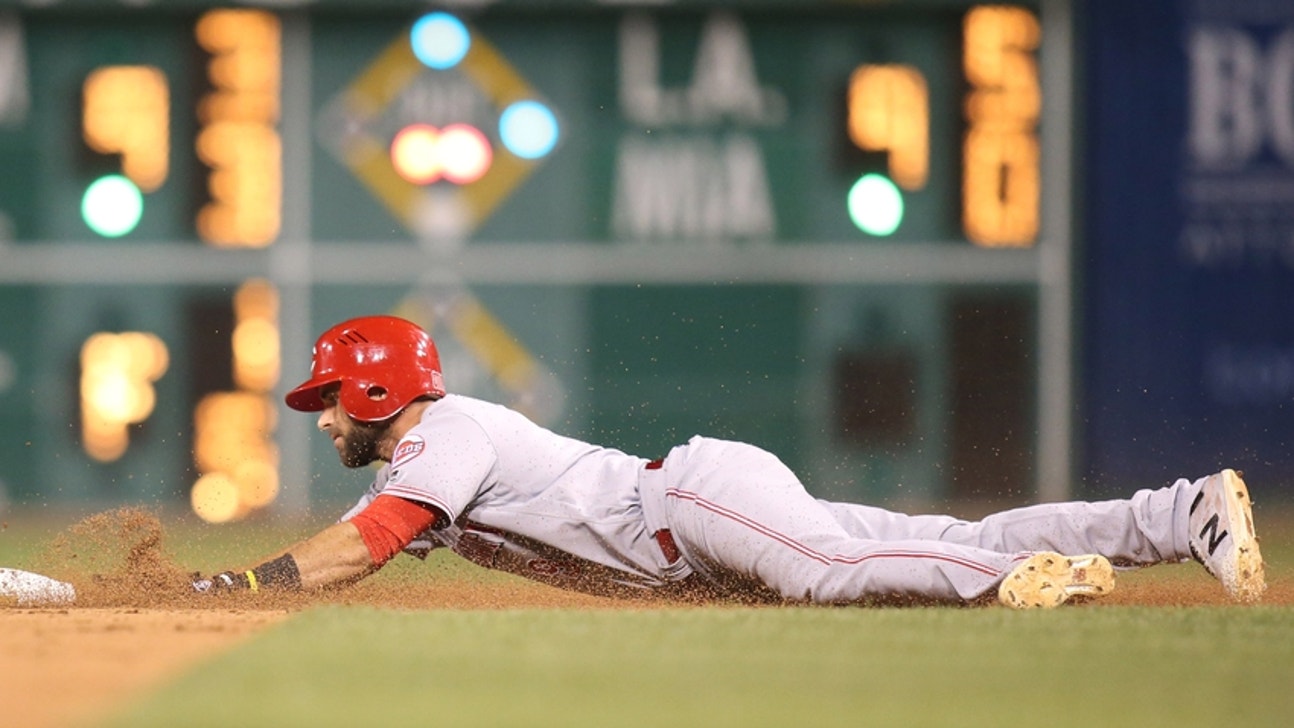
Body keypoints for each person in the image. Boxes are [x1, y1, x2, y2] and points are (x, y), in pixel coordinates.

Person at [193, 315, 1267, 608]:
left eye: (329, 394)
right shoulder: (436, 449)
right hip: (700, 520)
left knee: (828, 574)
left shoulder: (442, 433)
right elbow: (396, 521)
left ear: (376, 387)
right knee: (941, 535)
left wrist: (240, 583)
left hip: (691, 505)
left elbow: (365, 544)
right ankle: (1176, 514)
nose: (322, 415)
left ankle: (1014, 584)